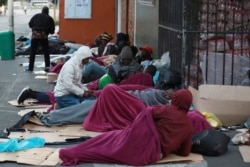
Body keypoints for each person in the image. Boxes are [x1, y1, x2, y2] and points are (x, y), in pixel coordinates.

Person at [59, 85, 194, 166]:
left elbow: (147, 112)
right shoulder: (188, 126)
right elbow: (184, 152)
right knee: (107, 150)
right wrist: (170, 143)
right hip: (153, 156)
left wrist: (134, 128)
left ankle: (71, 152)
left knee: (105, 141)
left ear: (175, 99)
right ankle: (74, 153)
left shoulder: (167, 109)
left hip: (139, 141)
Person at [27, 6, 55, 72]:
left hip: (35, 35)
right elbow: (52, 31)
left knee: (33, 51)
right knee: (46, 52)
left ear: (42, 10)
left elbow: (30, 24)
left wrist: (35, 28)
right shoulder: (49, 18)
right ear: (48, 12)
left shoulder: (36, 16)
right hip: (44, 36)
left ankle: (30, 68)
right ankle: (47, 67)